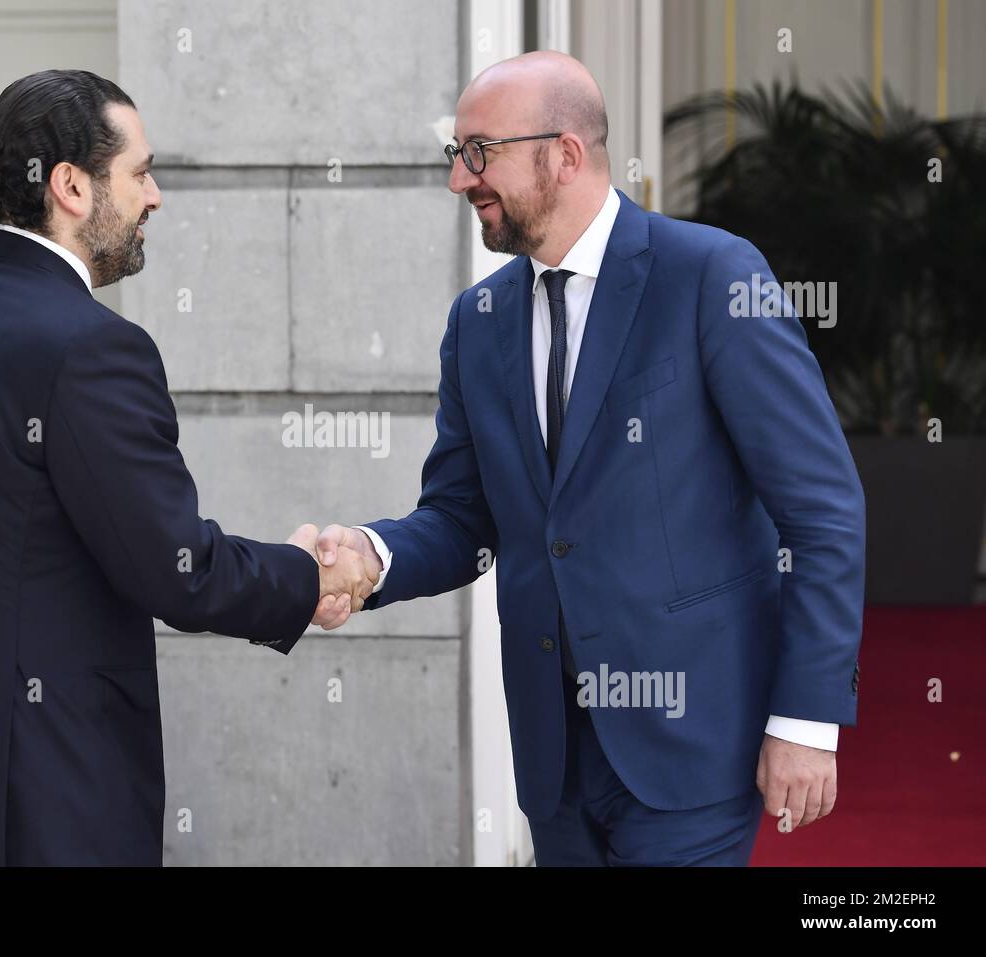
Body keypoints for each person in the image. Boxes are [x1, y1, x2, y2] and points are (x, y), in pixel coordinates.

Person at [315, 51, 865, 866]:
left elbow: (822, 510)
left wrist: (806, 719)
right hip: (554, 762)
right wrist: (372, 555)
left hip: (693, 749)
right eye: (455, 155)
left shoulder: (712, 276)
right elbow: (465, 516)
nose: (460, 181)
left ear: (565, 154)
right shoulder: (478, 320)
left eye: (479, 153)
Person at [0, 70, 377, 866]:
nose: (154, 196)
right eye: (139, 172)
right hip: (40, 798)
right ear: (70, 186)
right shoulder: (90, 346)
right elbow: (178, 570)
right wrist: (308, 574)